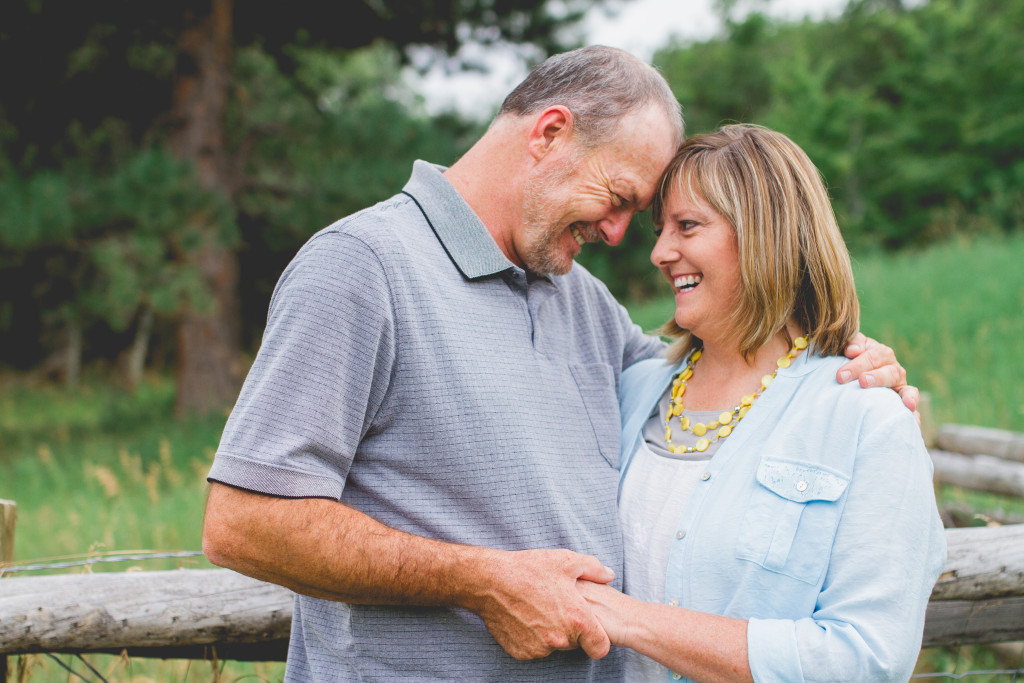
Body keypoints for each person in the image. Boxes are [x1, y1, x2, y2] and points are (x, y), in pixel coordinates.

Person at [201, 48, 916, 682]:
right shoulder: (364, 267)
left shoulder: (581, 299)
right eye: (619, 200)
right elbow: (241, 522)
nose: (621, 235)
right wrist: (481, 580)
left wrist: (848, 361)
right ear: (549, 133)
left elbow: (728, 374)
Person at [576, 124, 946, 683]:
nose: (659, 252)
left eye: (688, 226)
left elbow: (867, 657)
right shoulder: (632, 390)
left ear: (765, 236)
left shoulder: (866, 417)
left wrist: (630, 621)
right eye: (660, 229)